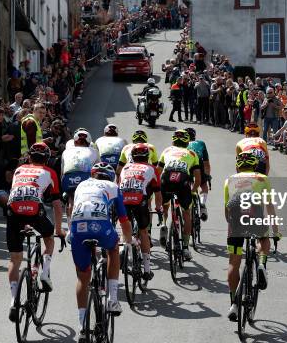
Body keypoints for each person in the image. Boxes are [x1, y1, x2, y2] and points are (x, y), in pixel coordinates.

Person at [70, 162, 132, 342]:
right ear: (111, 177)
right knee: (113, 249)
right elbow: (123, 219)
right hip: (100, 226)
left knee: (82, 276)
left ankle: (82, 326)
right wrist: (128, 241)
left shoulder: (82, 184)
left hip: (77, 228)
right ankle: (113, 298)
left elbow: (72, 208)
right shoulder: (113, 187)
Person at [6, 143, 64, 322]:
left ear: (29, 157)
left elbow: (15, 192)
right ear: (47, 159)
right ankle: (44, 272)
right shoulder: (49, 172)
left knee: (15, 259)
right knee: (49, 239)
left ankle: (14, 299)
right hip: (34, 211)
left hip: (13, 211)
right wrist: (59, 229)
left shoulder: (19, 169)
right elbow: (56, 204)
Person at [224, 152, 272, 321]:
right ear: (254, 166)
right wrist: (276, 230)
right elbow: (269, 206)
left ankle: (234, 305)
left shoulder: (229, 180)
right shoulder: (262, 178)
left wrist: (232, 228)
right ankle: (261, 264)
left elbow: (227, 209)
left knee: (233, 263)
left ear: (238, 166)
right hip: (255, 217)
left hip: (236, 223)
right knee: (264, 239)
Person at [118, 144, 163, 280]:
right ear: (147, 156)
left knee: (126, 228)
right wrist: (158, 208)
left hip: (123, 199)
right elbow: (158, 193)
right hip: (139, 200)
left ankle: (124, 249)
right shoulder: (152, 168)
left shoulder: (125, 167)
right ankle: (147, 270)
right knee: (143, 231)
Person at [158, 130, 201, 261]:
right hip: (182, 181)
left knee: (165, 206)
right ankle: (186, 248)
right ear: (187, 142)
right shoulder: (192, 153)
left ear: (173, 141)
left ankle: (164, 225)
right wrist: (192, 191)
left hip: (166, 178)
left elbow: (157, 173)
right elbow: (198, 179)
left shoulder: (166, 151)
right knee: (186, 212)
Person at [61, 128, 100, 208]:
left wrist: (63, 188)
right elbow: (98, 170)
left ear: (75, 142)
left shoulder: (66, 152)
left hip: (68, 179)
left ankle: (69, 219)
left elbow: (62, 172)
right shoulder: (94, 151)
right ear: (89, 143)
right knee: (89, 197)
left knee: (71, 198)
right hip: (86, 178)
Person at [186, 127, 210, 220]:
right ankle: (203, 204)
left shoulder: (182, 144)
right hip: (198, 163)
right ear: (194, 136)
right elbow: (206, 163)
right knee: (203, 184)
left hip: (187, 163)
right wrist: (207, 176)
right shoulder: (201, 143)